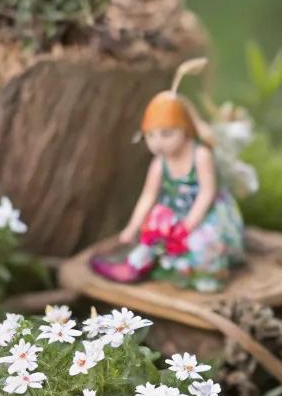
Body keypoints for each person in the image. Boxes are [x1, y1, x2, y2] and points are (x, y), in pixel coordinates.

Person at [90, 63, 246, 293]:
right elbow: (148, 196)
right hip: (174, 212)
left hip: (204, 214)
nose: (158, 143)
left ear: (184, 128)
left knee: (200, 243)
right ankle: (137, 264)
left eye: (167, 134)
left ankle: (204, 275)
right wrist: (132, 227)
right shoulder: (159, 164)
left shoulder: (200, 155)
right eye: (151, 136)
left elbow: (207, 193)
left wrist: (188, 224)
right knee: (153, 231)